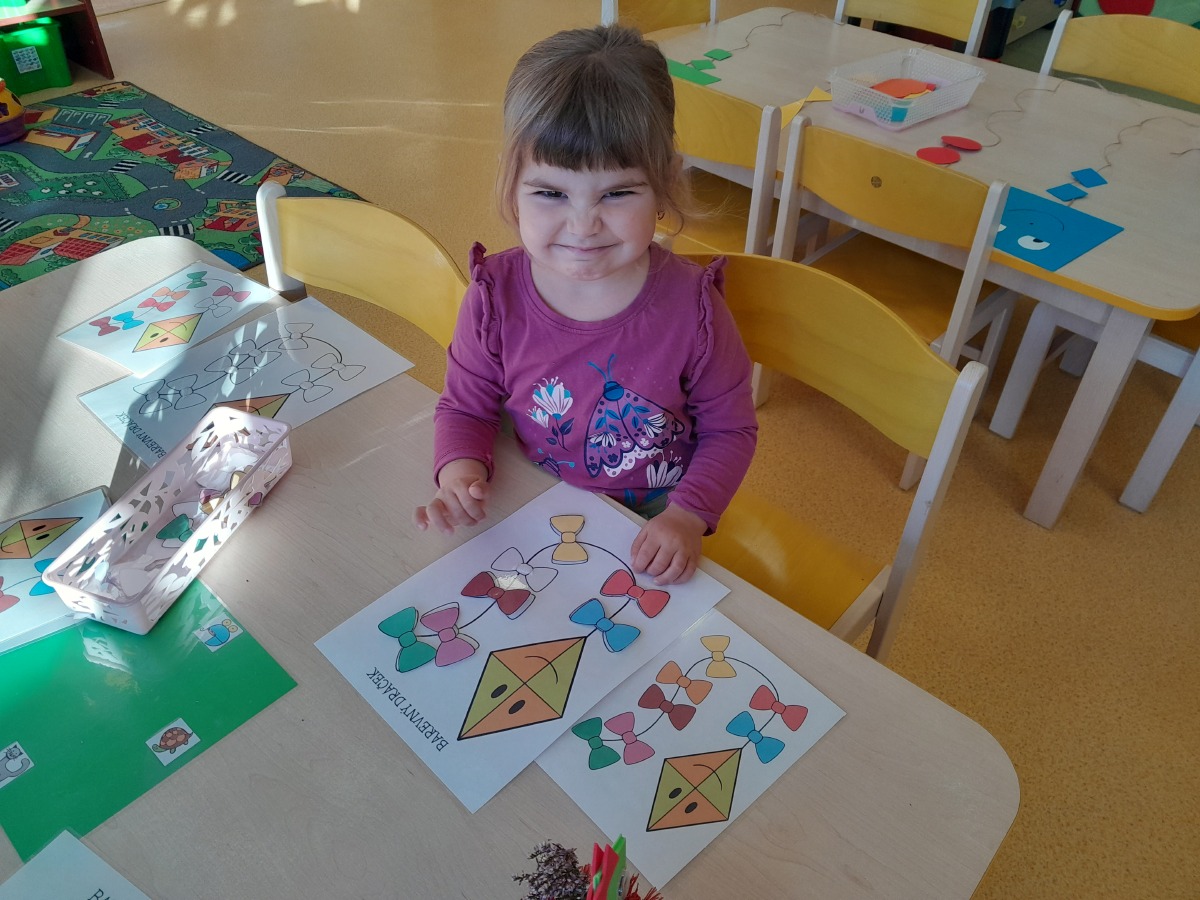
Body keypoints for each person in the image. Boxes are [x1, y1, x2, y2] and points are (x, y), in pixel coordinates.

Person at [414, 24, 757, 585]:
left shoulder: (694, 310)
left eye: (617, 193)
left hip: (652, 522)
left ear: (666, 184)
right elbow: (466, 408)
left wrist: (687, 517)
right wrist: (459, 474)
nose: (582, 225)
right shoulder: (493, 297)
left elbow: (730, 430)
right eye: (550, 193)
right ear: (512, 186)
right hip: (530, 500)